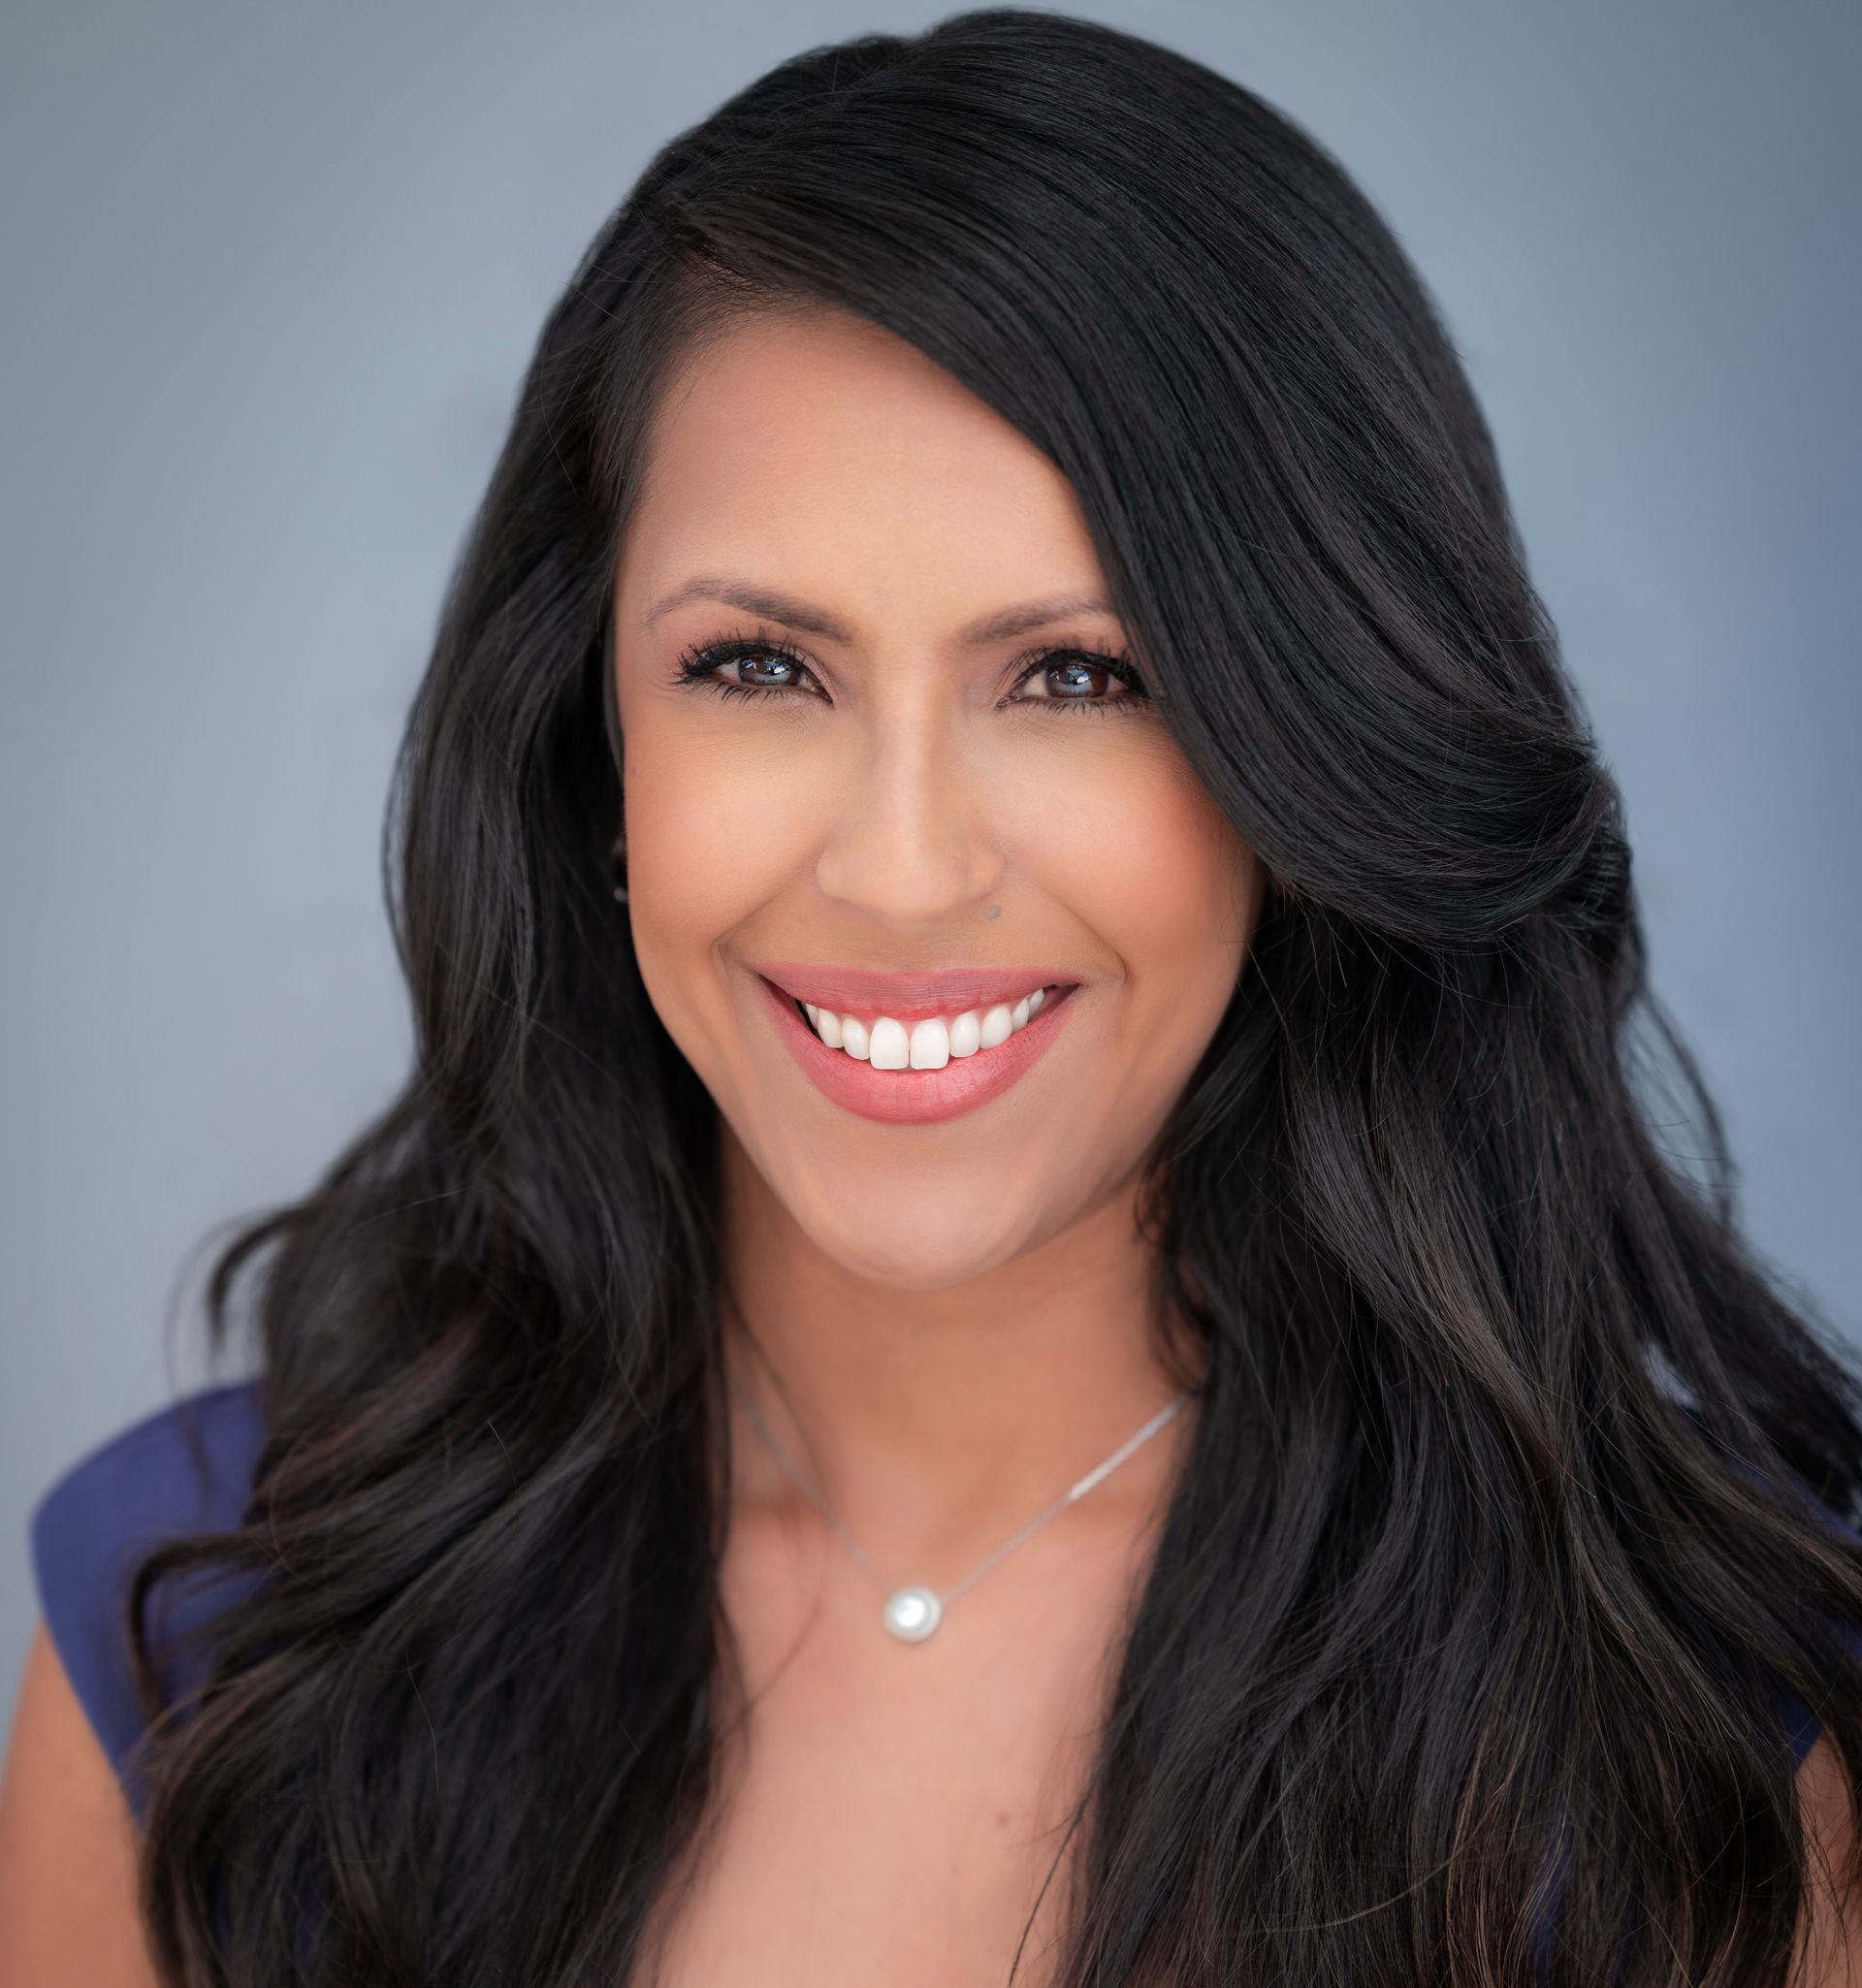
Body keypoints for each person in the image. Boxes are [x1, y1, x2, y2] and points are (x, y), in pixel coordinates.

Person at [3, 10, 1860, 1984]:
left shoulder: (1709, 1729)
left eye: (1076, 675)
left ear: (1307, 758)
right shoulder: (207, 1635)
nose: (900, 869)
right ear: (589, 747)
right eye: (760, 669)